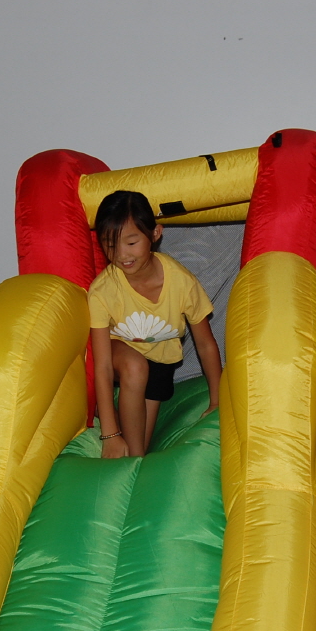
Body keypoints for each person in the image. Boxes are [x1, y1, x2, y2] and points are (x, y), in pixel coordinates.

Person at [88, 190, 222, 457]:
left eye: (131, 242)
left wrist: (217, 401)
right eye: (110, 244)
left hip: (160, 365)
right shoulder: (103, 290)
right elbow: (101, 366)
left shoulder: (181, 282)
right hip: (120, 356)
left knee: (140, 445)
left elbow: (206, 345)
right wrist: (110, 434)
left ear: (155, 234)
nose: (122, 254)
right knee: (135, 368)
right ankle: (124, 447)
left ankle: (121, 432)